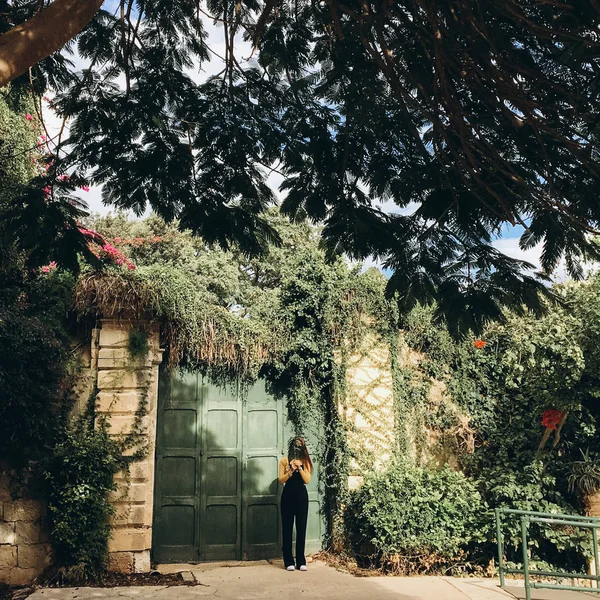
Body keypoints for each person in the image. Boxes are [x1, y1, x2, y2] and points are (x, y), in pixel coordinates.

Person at [278, 436, 313, 571]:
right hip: (287, 496)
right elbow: (281, 480)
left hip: (301, 497)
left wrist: (300, 468)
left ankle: (301, 561)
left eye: (300, 445)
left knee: (301, 528)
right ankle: (288, 561)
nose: (297, 447)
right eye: (295, 445)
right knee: (287, 528)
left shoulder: (306, 461)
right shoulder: (284, 460)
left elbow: (307, 480)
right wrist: (290, 471)